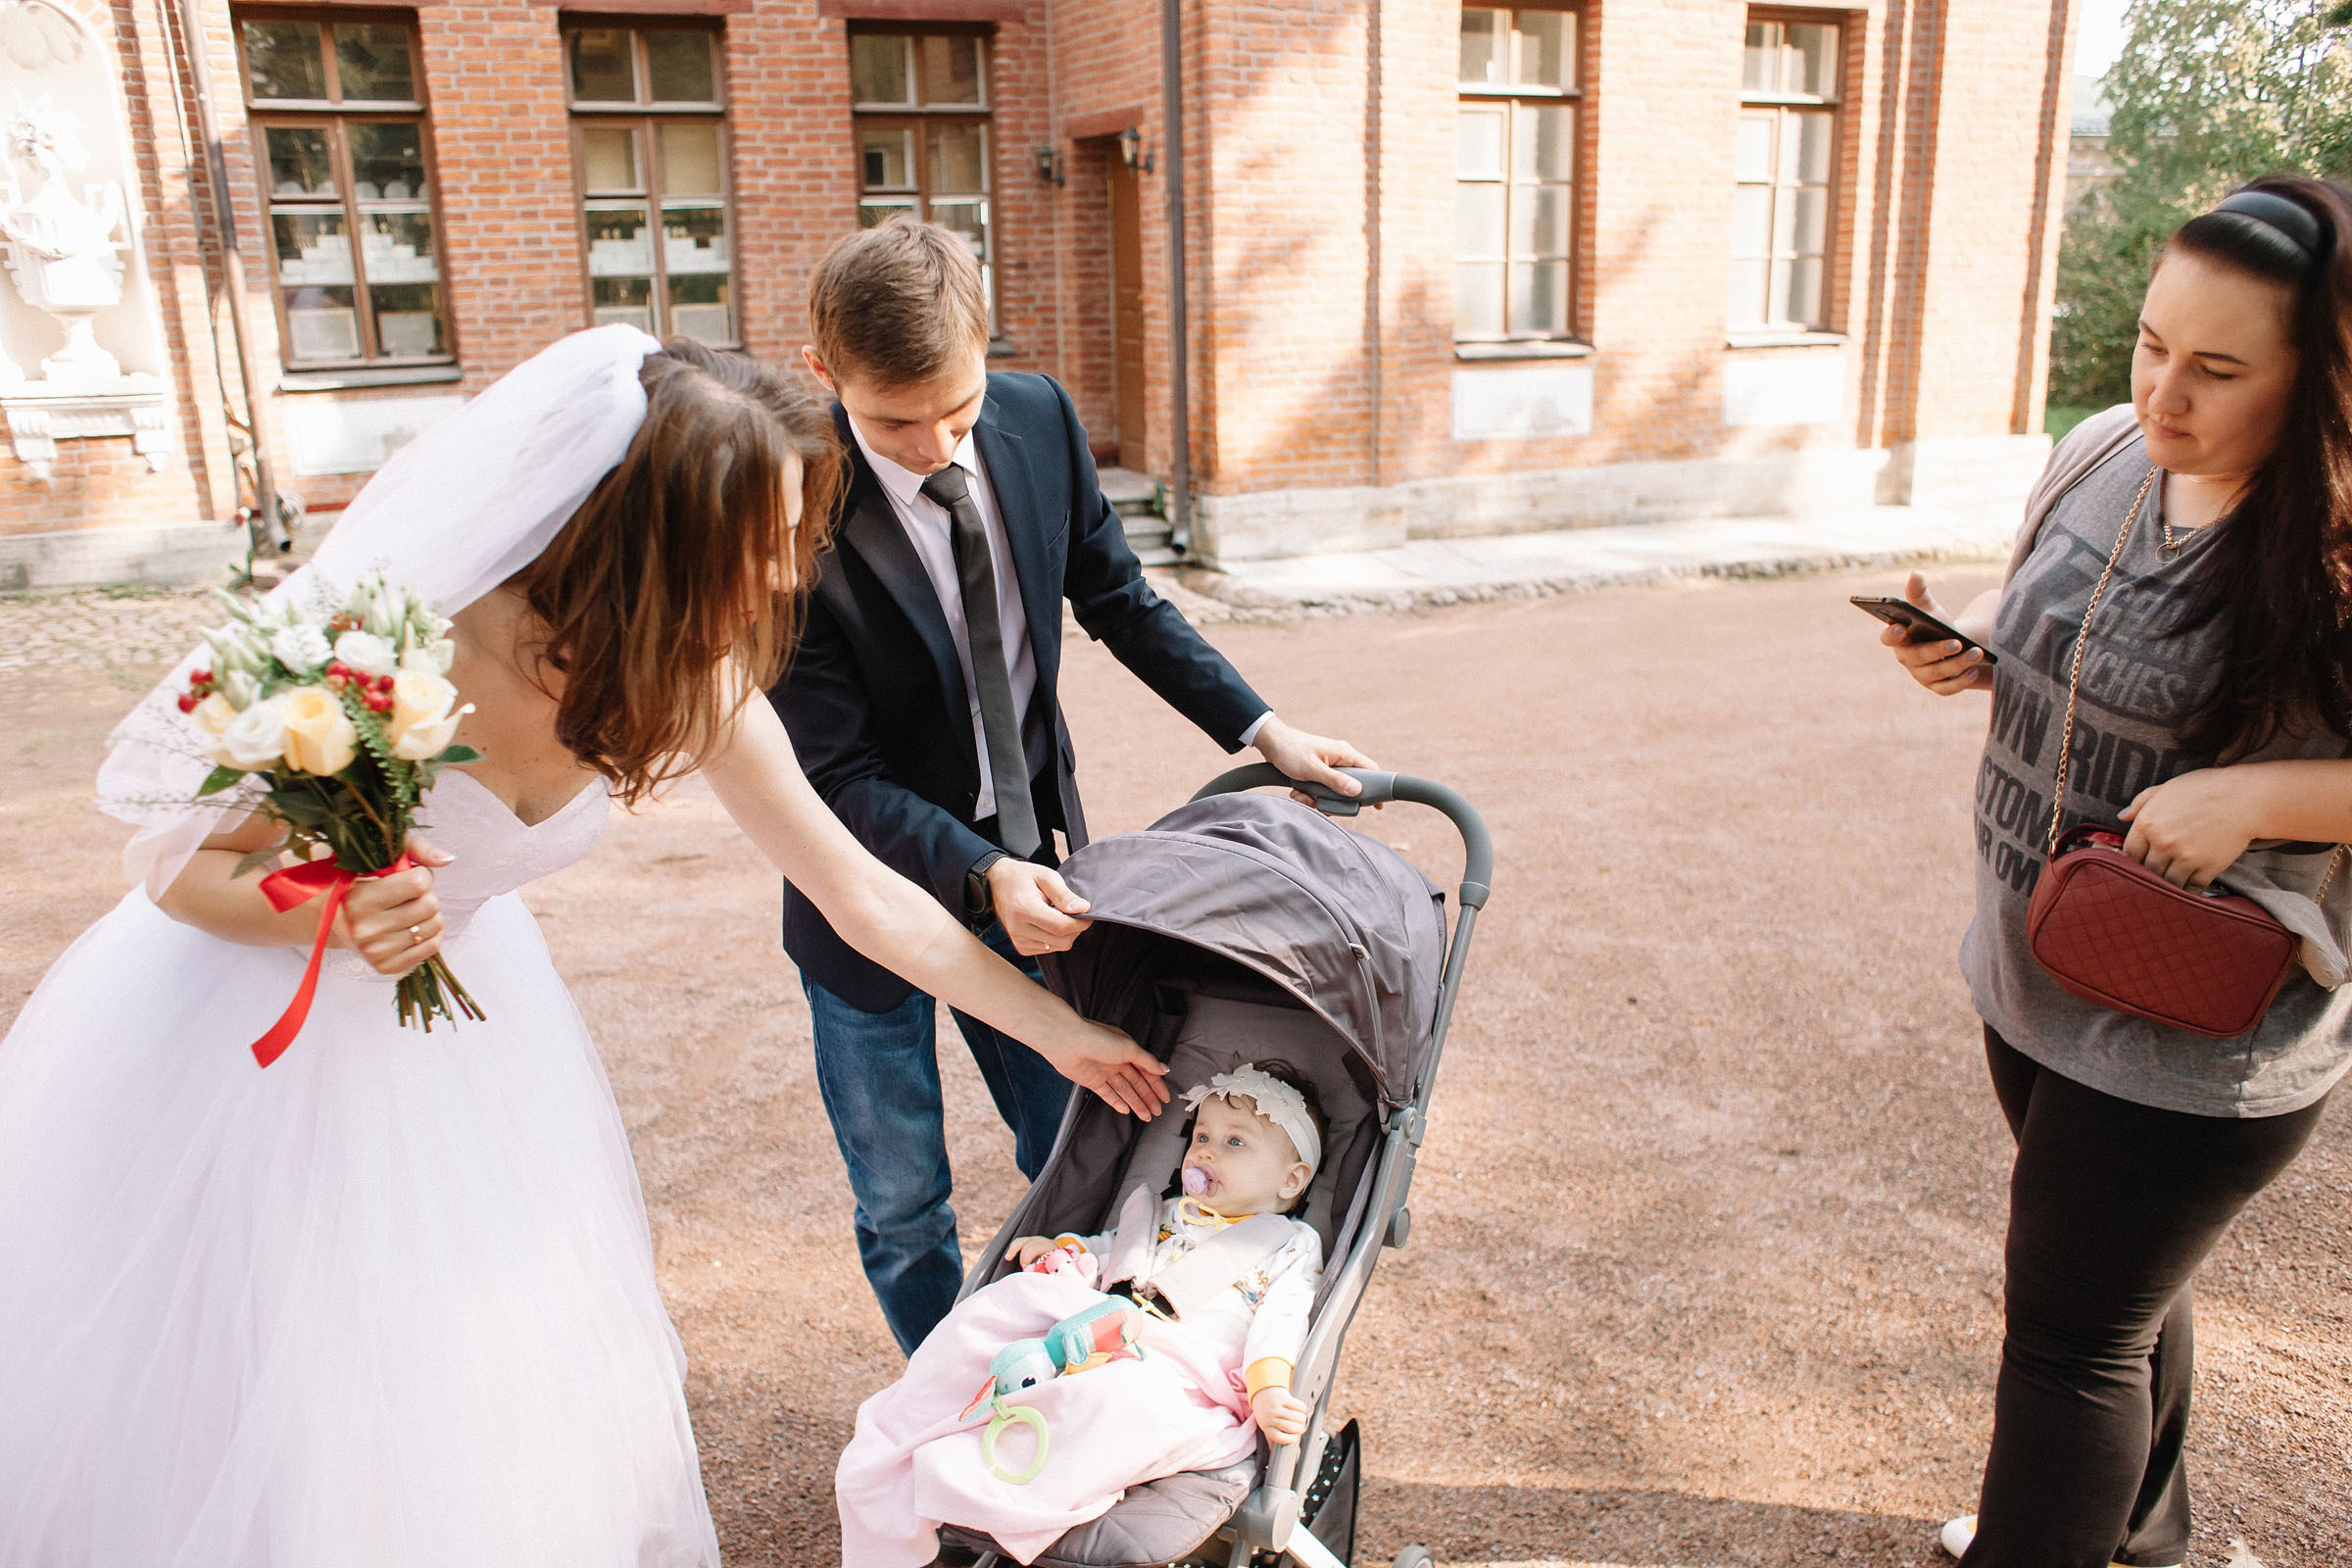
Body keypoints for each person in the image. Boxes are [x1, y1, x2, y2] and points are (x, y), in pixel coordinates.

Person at [0, 326, 1169, 1568]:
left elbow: (861, 895)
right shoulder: (408, 640)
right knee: (260, 1382)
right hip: (245, 1033)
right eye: (759, 541)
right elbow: (181, 867)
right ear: (653, 540)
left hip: (461, 1046)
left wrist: (1064, 1031)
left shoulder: (694, 676)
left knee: (473, 1392)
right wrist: (334, 908)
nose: (788, 573)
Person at [769, 217, 1372, 1355]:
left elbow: (1121, 599)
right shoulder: (789, 501)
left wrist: (1264, 725)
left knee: (1072, 1154)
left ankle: (1071, 1377)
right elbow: (833, 775)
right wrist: (977, 868)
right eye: (896, 423)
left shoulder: (1037, 417)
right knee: (902, 1204)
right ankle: (943, 1388)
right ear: (821, 374)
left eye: (959, 408)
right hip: (866, 904)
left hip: (1038, 884)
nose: (938, 444)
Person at [1880, 176, 2352, 1568]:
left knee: (2069, 1345)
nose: (2164, 393)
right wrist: (1962, 638)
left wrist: (2264, 794)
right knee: (2120, 1296)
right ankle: (2144, 1536)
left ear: (2322, 380)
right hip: (2038, 966)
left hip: (2209, 1028)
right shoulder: (2096, 450)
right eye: (2152, 344)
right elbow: (2033, 598)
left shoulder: (2334, 547)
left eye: (2217, 369)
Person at [834, 1062, 1325, 1566]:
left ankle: (1010, 1478)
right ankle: (927, 1424)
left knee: (1128, 1398)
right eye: (1201, 1135)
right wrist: (1061, 1253)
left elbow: (1282, 1321)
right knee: (1000, 1310)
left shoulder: (1286, 1245)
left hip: (1181, 1370)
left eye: (1235, 1142)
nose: (1204, 1151)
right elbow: (1108, 1251)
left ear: (1292, 1179)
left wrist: (1267, 1391)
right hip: (1097, 1331)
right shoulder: (1161, 1214)